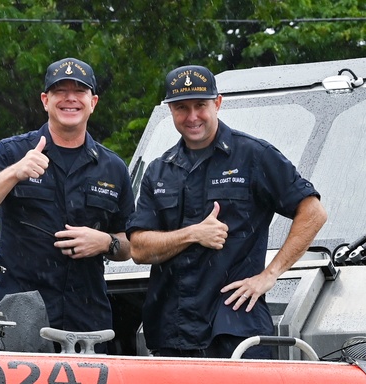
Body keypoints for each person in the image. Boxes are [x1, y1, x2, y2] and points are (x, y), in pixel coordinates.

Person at [128, 65, 327, 358]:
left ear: (217, 103)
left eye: (201, 106)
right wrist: (193, 234)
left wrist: (270, 275)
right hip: (173, 331)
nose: (192, 116)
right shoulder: (159, 170)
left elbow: (313, 212)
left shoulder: (253, 155)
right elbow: (139, 250)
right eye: (182, 108)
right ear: (171, 110)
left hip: (235, 329)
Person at [0, 57, 134, 336]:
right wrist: (15, 172)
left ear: (93, 102)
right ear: (45, 100)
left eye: (79, 91)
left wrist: (105, 242)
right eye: (60, 91)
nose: (70, 99)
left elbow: (131, 245)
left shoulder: (113, 167)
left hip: (87, 317)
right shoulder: (11, 153)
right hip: (21, 315)